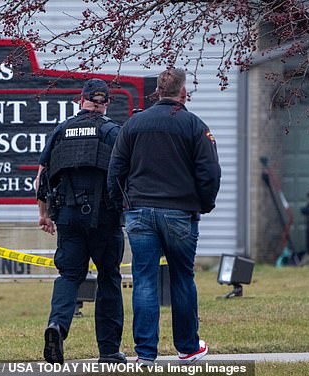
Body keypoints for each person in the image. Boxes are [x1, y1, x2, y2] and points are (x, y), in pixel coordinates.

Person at [107, 68, 221, 365]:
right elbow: (210, 172)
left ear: (158, 91)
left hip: (140, 213)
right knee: (182, 278)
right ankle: (187, 348)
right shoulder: (195, 126)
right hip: (180, 214)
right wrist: (204, 204)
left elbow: (116, 169)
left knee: (144, 280)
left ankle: (145, 354)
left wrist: (120, 204)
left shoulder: (133, 124)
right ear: (183, 93)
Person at [36, 78, 126, 364]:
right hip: (104, 218)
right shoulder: (113, 132)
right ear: (106, 103)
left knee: (69, 276)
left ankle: (57, 327)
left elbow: (42, 176)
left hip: (68, 217)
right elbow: (127, 172)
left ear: (81, 99)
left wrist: (43, 214)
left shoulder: (60, 131)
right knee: (109, 277)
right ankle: (109, 352)